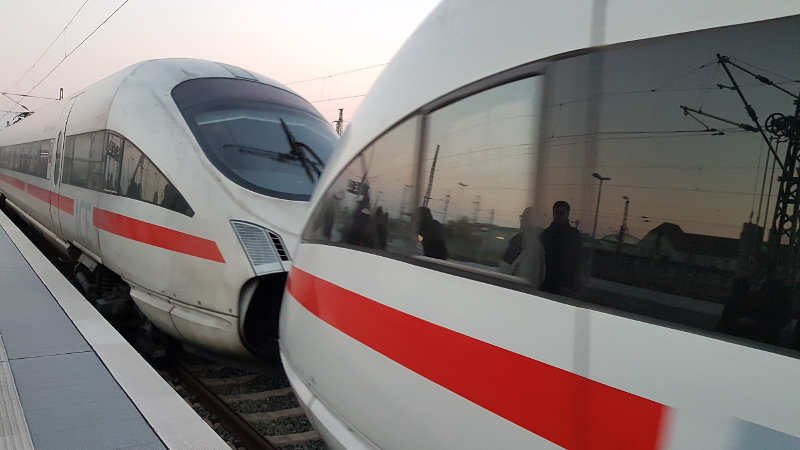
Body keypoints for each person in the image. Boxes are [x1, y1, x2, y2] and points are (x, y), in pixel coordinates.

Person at [717, 252, 791, 344]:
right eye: (748, 262)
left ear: (764, 268)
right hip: (734, 336)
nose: (747, 266)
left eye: (752, 263)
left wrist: (755, 322)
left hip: (761, 341)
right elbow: (727, 312)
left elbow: (782, 319)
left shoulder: (777, 290)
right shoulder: (739, 284)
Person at [540, 201, 582, 295]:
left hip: (564, 286)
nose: (558, 216)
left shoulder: (573, 235)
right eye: (556, 213)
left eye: (562, 213)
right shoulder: (546, 234)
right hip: (545, 282)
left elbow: (577, 261)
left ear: (567, 214)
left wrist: (570, 284)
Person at [501, 207, 546, 287]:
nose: (521, 221)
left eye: (524, 218)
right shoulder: (541, 243)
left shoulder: (518, 241)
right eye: (521, 218)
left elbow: (504, 270)